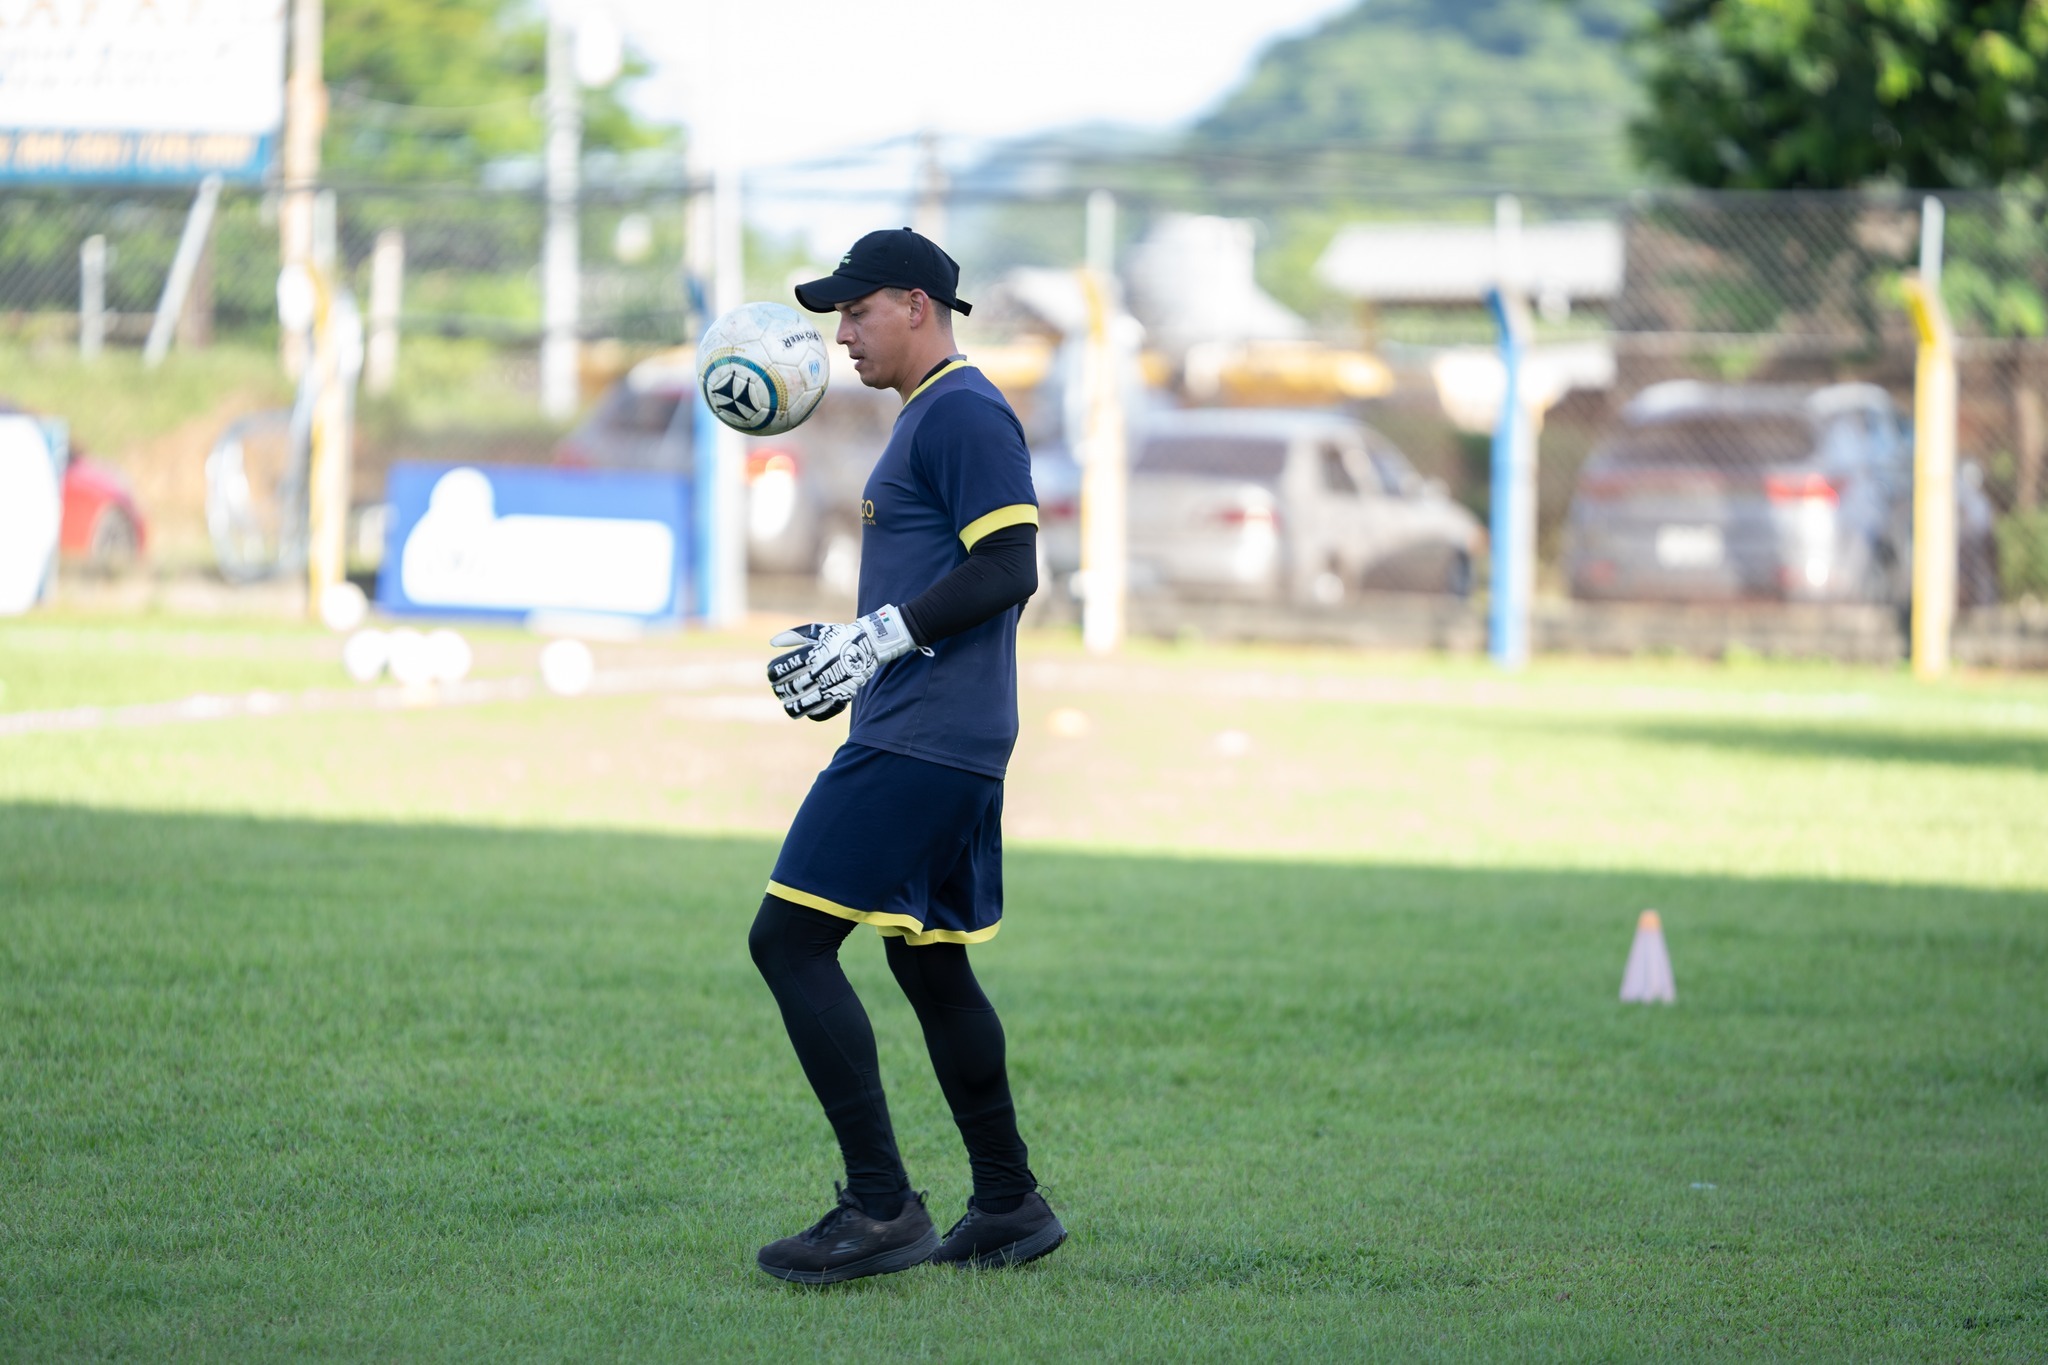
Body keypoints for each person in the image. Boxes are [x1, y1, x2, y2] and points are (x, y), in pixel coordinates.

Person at [747, 227, 1064, 1285]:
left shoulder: (965, 411)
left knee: (788, 943)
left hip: (925, 734)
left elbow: (1011, 565)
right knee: (923, 958)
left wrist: (881, 638)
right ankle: (1009, 1203)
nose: (840, 331)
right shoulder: (930, 415)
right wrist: (856, 648)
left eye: (857, 309)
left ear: (917, 305)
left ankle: (880, 1209)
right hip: (941, 730)